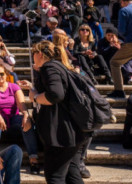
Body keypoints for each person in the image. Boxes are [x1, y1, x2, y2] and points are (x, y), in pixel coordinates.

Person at [29, 40, 88, 184]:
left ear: (40, 54)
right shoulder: (60, 67)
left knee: (55, 176)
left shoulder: (49, 68)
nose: (32, 57)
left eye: (33, 53)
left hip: (60, 134)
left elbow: (56, 95)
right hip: (71, 131)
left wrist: (35, 97)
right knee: (71, 174)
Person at [0, 64, 41, 175]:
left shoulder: (14, 87)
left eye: (1, 74)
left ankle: (33, 159)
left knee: (25, 120)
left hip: (12, 120)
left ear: (6, 74)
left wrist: (25, 114)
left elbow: (21, 103)